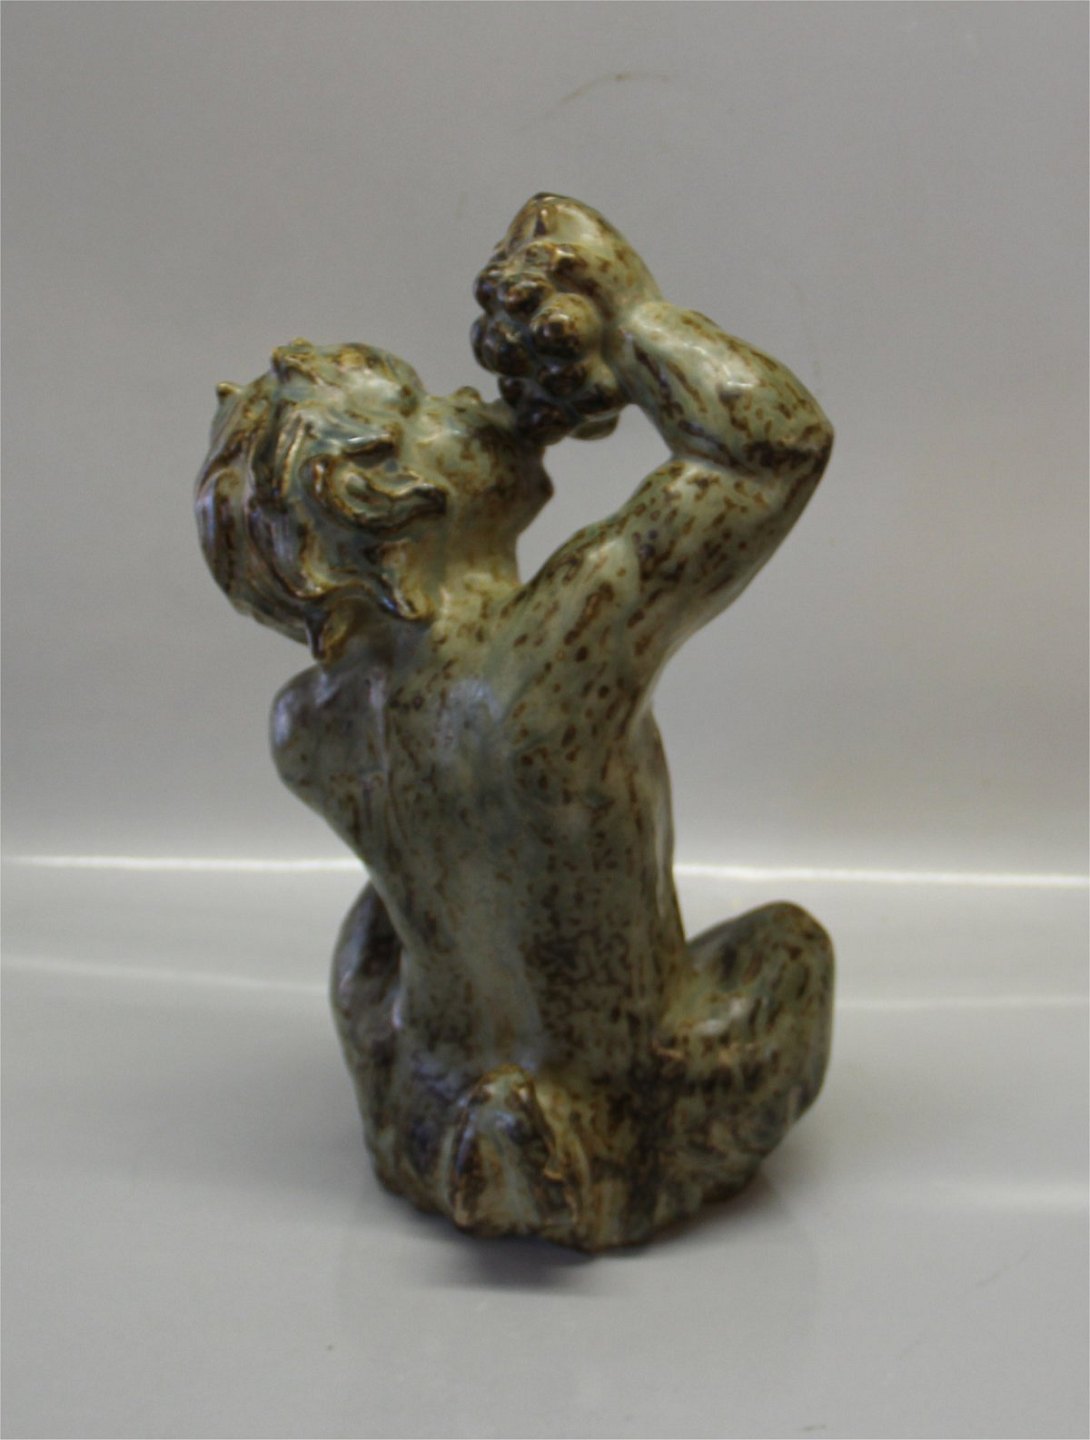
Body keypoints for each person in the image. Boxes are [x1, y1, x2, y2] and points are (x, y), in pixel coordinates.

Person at [196, 195, 835, 1249]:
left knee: (387, 925)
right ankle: (595, 1138)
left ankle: (462, 1111)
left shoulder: (307, 731)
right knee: (789, 952)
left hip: (420, 1088)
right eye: (418, 409)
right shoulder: (538, 668)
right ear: (379, 506)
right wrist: (630, 319)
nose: (461, 398)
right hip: (622, 1097)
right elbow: (770, 449)